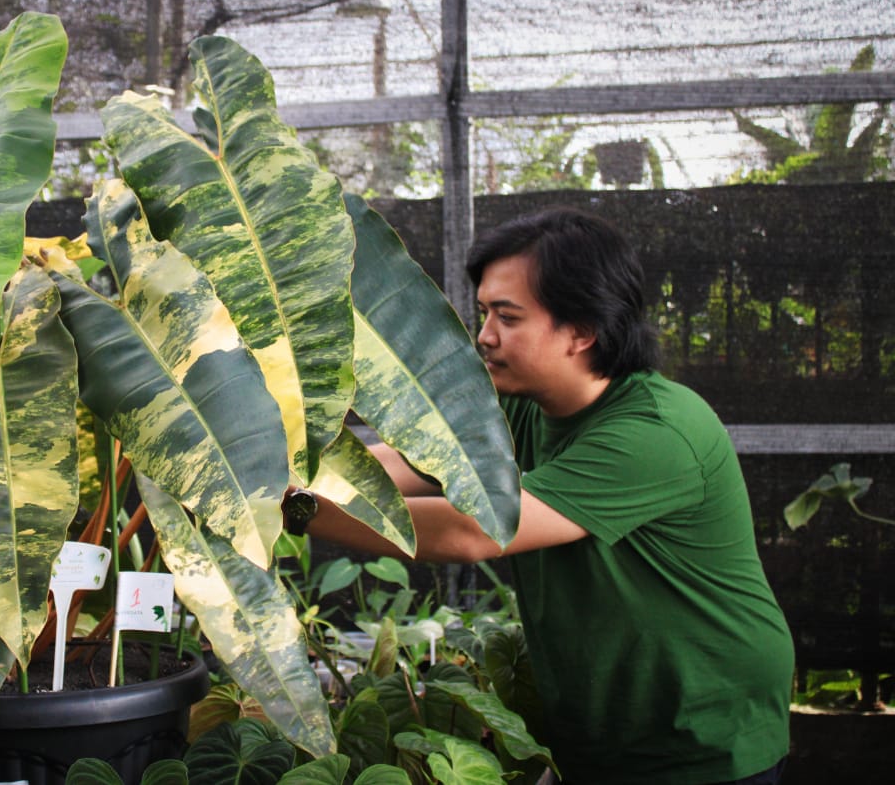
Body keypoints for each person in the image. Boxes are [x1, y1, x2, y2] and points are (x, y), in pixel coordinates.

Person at [288, 207, 793, 785]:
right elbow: (398, 463)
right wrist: (270, 471)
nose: (484, 335)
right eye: (484, 313)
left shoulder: (656, 431)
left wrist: (291, 509)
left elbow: (474, 530)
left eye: (508, 317)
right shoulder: (519, 406)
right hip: (595, 730)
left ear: (583, 329)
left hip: (702, 731)